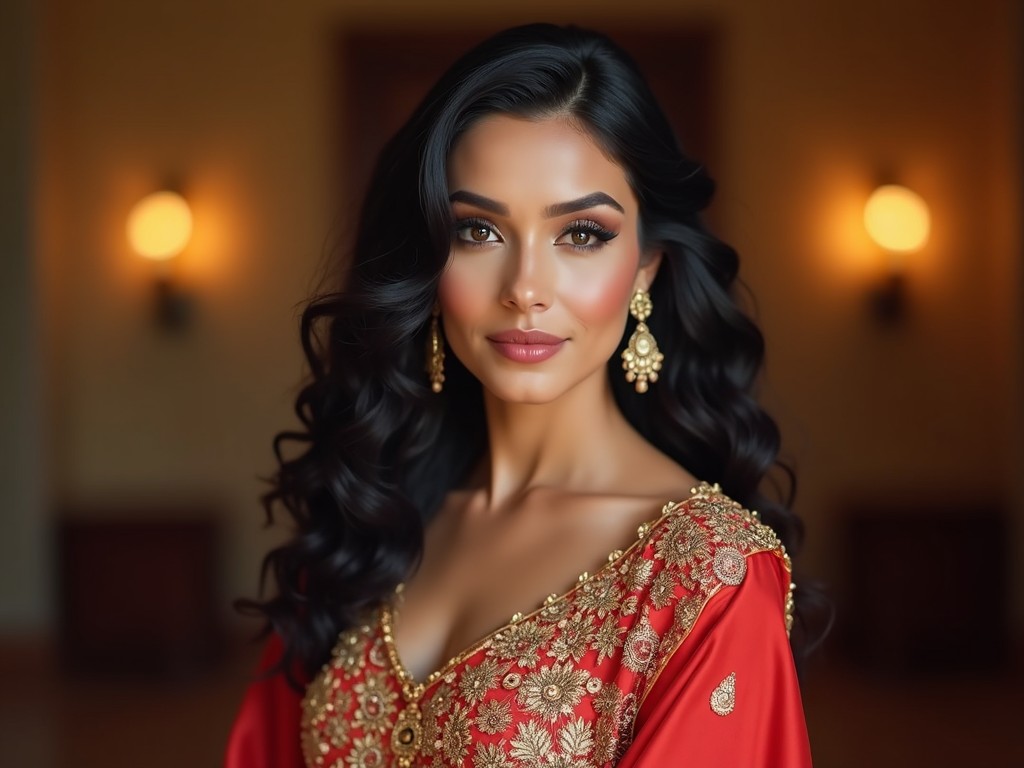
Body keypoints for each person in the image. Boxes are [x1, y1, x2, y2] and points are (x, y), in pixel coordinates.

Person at [226, 23, 820, 768]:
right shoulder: (368, 517)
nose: (525, 291)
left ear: (646, 267)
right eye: (478, 230)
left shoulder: (706, 575)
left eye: (580, 233)